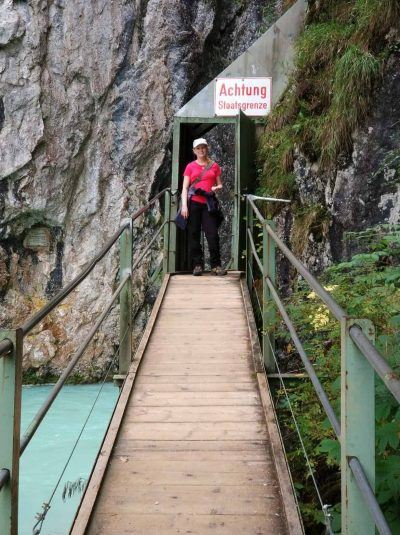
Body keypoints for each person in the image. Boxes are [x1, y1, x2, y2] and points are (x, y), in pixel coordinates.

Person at [181, 138, 227, 276]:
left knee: (212, 234)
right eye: (198, 148)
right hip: (194, 203)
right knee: (193, 234)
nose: (201, 150)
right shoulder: (190, 167)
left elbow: (220, 184)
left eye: (203, 147)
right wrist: (184, 206)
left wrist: (216, 188)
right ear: (194, 151)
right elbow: (185, 187)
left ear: (207, 148)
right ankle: (197, 265)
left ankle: (216, 265)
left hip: (209, 203)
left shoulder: (214, 165)